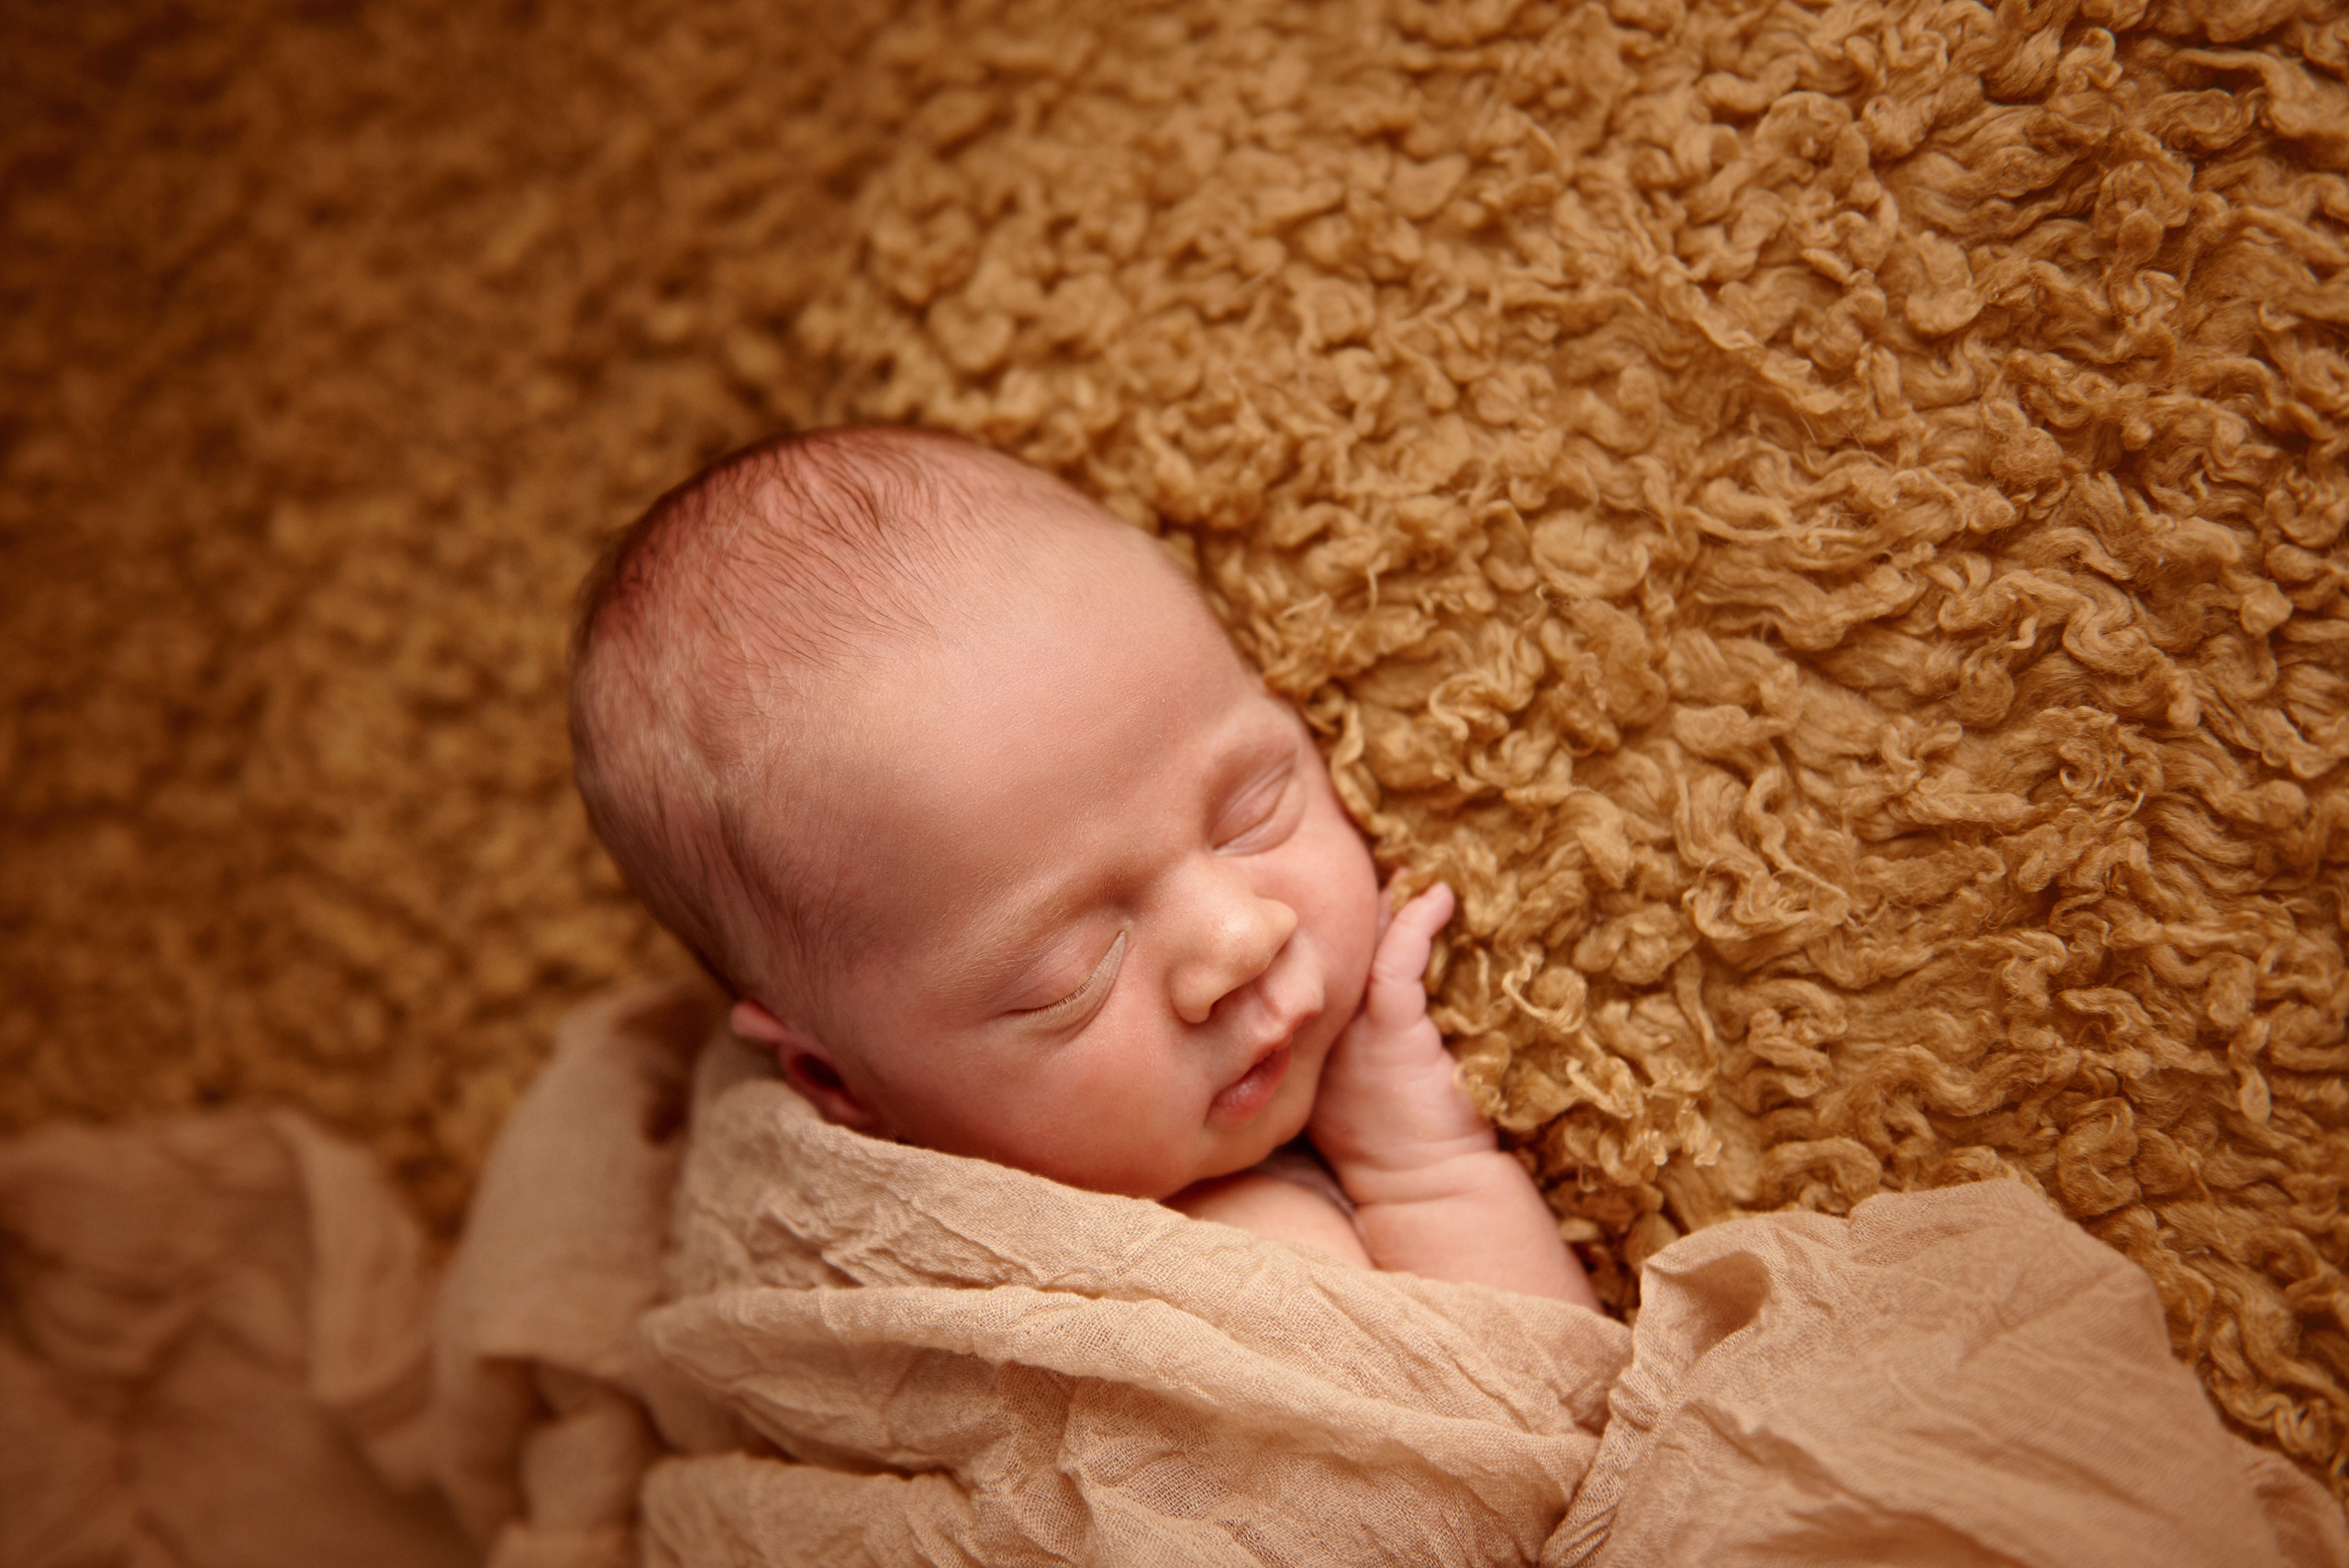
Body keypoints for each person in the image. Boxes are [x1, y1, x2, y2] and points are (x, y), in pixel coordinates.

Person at [570, 425, 1596, 1307]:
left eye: (1251, 807)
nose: (1238, 939)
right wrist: (1425, 1173)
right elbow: (1538, 1442)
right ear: (834, 1079)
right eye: (1073, 972)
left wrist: (1410, 1156)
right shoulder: (1100, 1296)